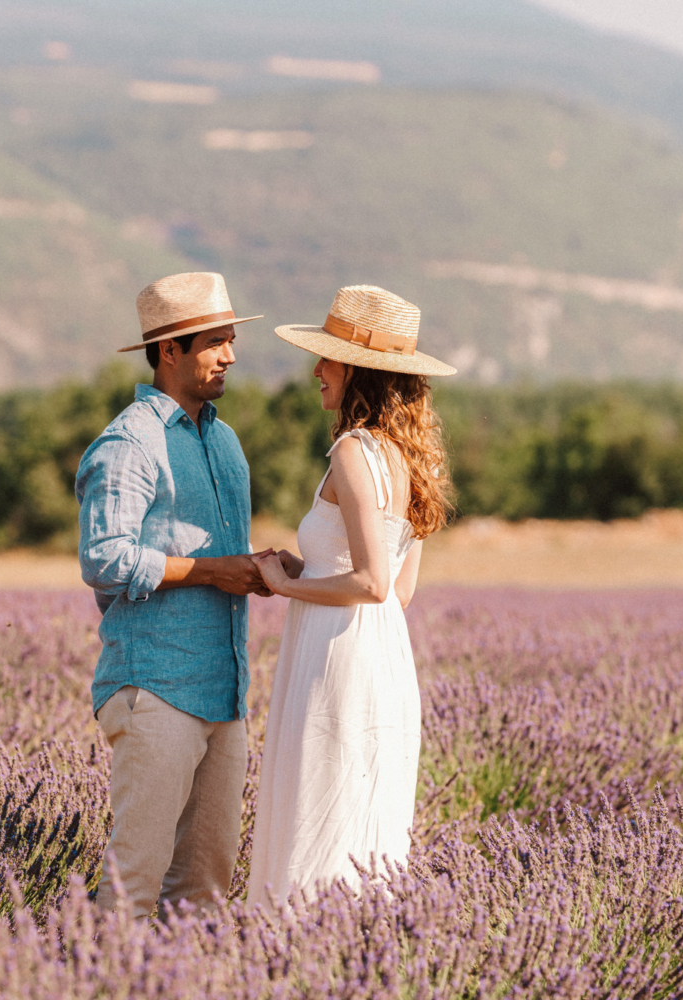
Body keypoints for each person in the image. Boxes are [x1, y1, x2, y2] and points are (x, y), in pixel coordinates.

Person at [248, 284, 456, 905]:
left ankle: (296, 950)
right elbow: (401, 590)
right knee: (360, 817)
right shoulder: (412, 460)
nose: (316, 370)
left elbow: (370, 583)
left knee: (319, 804)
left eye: (328, 359)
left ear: (358, 370)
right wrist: (308, 570)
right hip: (383, 656)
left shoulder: (353, 451)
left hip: (334, 652)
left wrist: (287, 584)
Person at [75, 271, 269, 918]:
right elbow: (104, 558)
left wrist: (265, 568)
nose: (230, 356)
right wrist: (214, 571)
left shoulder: (223, 439)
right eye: (214, 342)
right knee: (135, 879)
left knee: (207, 890)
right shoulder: (131, 442)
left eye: (231, 340)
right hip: (154, 686)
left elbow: (216, 551)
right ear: (169, 352)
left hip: (224, 689)